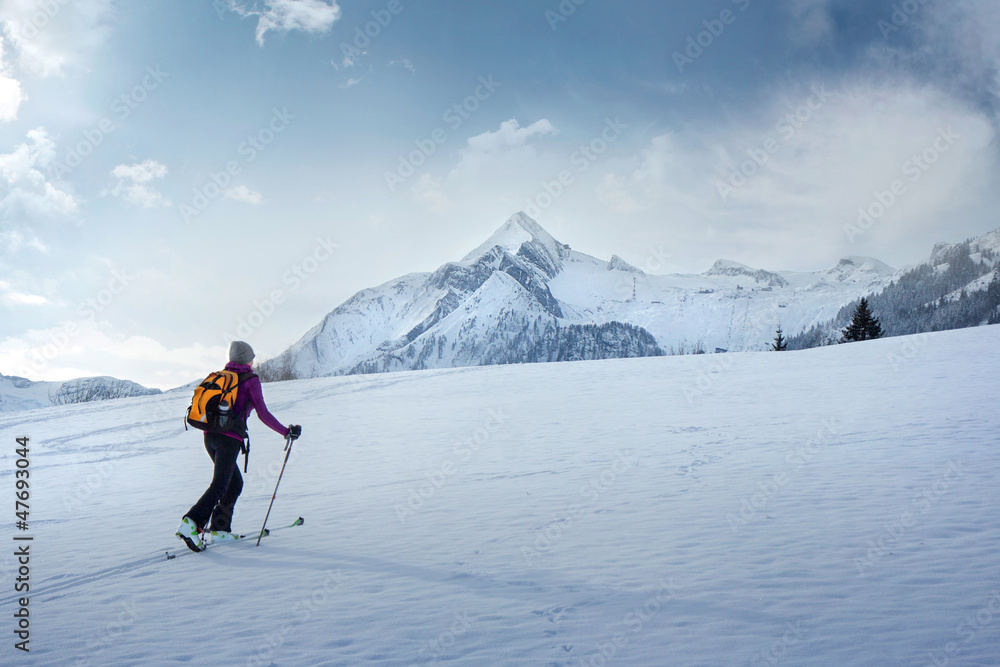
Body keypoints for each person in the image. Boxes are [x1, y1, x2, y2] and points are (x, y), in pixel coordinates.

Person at [175, 341, 301, 552]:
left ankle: (219, 530)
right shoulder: (250, 380)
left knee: (234, 484)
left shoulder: (222, 376)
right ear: (248, 359)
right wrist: (286, 432)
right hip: (229, 439)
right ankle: (190, 522)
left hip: (210, 438)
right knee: (220, 485)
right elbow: (263, 413)